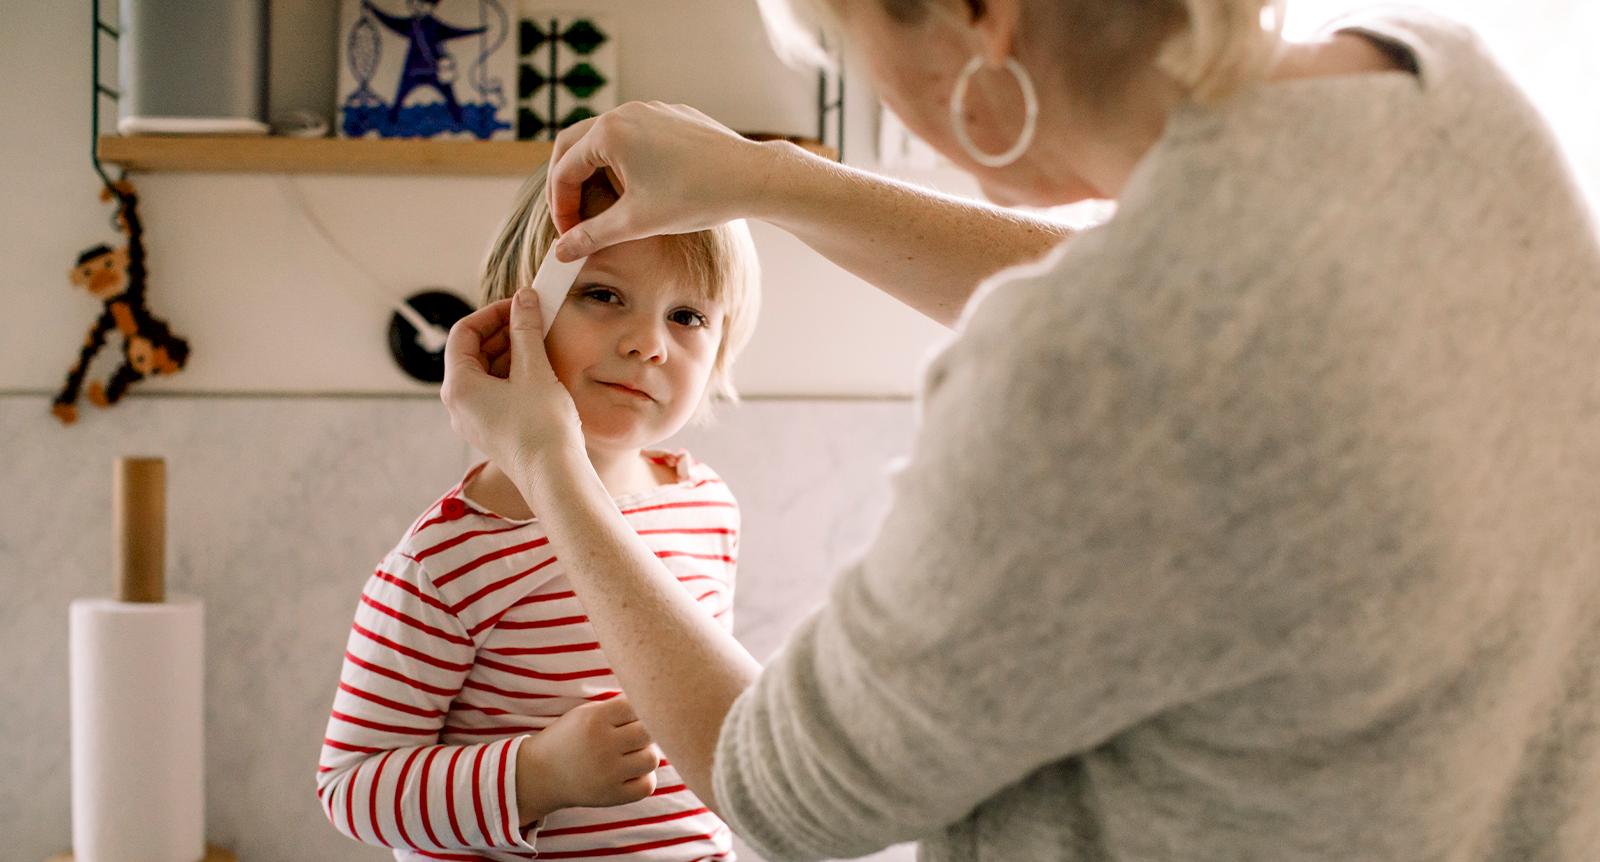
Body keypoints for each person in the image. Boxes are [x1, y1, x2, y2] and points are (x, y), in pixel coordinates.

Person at [440, 0, 1600, 859]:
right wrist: (772, 180)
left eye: (848, 43)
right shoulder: (1454, 100)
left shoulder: (1084, 376)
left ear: (978, 21)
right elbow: (1202, 302)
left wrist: (547, 464)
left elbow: (783, 791)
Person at [317, 163, 761, 861]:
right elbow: (350, 788)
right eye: (603, 294)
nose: (649, 341)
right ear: (512, 314)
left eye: (688, 315)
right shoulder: (447, 560)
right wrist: (538, 775)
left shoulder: (704, 506)